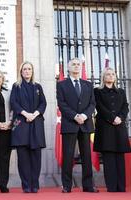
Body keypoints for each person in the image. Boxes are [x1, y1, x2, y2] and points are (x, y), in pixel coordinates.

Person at [56, 58, 98, 193]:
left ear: (81, 67)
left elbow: (92, 104)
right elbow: (62, 104)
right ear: (68, 68)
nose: (76, 67)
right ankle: (67, 186)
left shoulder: (88, 84)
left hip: (85, 124)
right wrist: (75, 116)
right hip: (69, 124)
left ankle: (88, 185)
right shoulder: (62, 85)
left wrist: (84, 116)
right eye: (73, 64)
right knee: (68, 156)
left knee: (86, 155)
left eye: (78, 64)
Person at [10, 61, 47, 193]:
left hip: (36, 124)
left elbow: (43, 103)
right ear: (21, 71)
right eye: (24, 69)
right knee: (23, 157)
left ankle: (35, 184)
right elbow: (13, 102)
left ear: (32, 71)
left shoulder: (38, 87)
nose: (27, 71)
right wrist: (25, 114)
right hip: (21, 124)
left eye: (29, 69)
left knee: (36, 156)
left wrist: (35, 114)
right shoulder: (16, 86)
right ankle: (26, 185)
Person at [94, 67, 131, 192]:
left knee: (119, 157)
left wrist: (120, 117)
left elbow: (125, 106)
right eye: (108, 74)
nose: (110, 76)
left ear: (115, 77)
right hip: (105, 127)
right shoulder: (97, 91)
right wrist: (112, 118)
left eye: (112, 74)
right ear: (103, 77)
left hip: (119, 127)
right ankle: (112, 187)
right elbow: (99, 106)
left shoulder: (121, 91)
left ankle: (121, 187)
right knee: (109, 157)